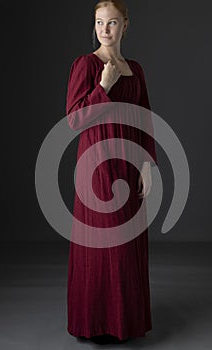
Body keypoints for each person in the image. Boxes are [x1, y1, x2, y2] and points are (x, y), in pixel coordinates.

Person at [66, 0, 158, 344]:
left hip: (130, 164)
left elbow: (145, 117)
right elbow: (74, 120)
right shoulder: (85, 65)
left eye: (113, 23)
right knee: (104, 247)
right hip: (97, 166)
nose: (105, 29)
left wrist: (148, 164)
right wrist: (103, 85)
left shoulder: (135, 68)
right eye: (100, 22)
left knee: (129, 244)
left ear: (125, 26)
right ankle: (96, 324)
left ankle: (126, 323)